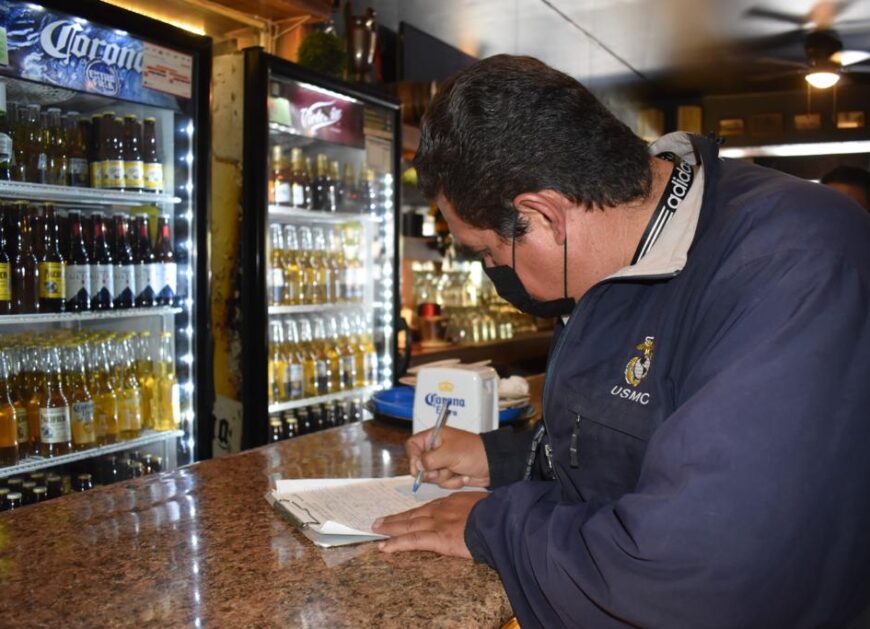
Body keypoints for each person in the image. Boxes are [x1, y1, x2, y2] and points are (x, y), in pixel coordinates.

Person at [371, 55, 870, 628]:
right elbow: (651, 433)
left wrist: (493, 524)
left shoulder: (792, 263)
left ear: (544, 217)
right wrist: (505, 460)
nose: (493, 271)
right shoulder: (633, 254)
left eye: (487, 252)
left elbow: (692, 570)